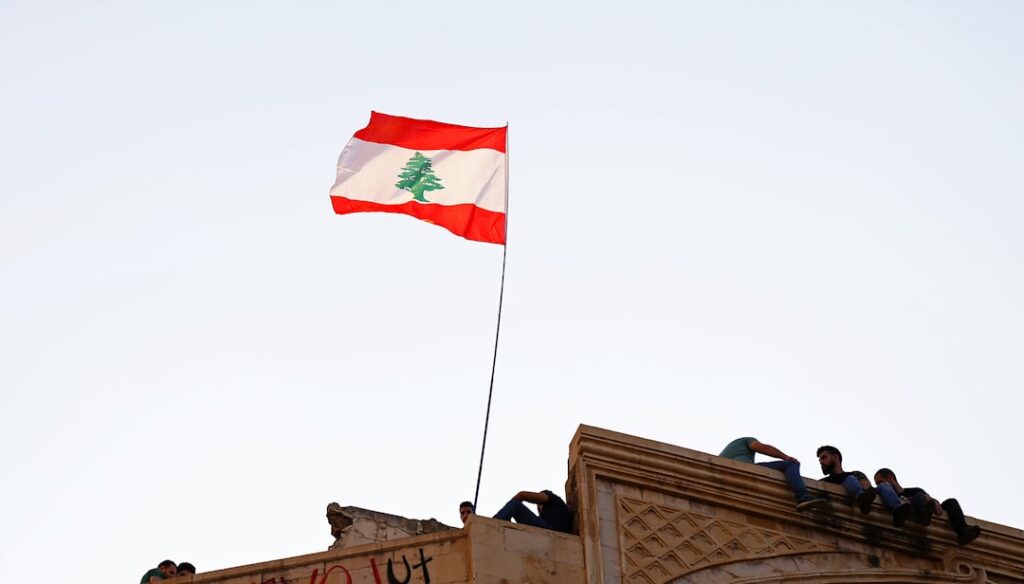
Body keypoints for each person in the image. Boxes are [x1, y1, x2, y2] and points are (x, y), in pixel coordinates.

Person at [874, 468, 982, 546]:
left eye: (880, 482)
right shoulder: (890, 497)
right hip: (916, 511)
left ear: (890, 478)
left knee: (951, 502)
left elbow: (931, 501)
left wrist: (934, 501)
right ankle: (922, 515)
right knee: (918, 497)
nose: (879, 486)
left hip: (927, 510)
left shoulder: (915, 490)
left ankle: (963, 531)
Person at [719, 437, 826, 511]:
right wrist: (785, 457)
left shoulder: (727, 452)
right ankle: (803, 496)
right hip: (745, 468)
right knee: (791, 464)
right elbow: (762, 448)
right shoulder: (746, 440)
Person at [817, 445, 911, 526]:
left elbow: (867, 487)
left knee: (884, 485)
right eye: (820, 460)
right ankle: (860, 498)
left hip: (865, 496)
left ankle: (897, 510)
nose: (821, 462)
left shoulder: (855, 474)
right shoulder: (824, 482)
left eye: (824, 457)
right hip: (855, 501)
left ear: (835, 457)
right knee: (850, 479)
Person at [493, 489, 573, 533]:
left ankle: (495, 523)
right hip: (552, 530)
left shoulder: (552, 498)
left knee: (515, 505)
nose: (538, 507)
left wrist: (517, 498)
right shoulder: (553, 513)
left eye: (539, 505)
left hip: (551, 529)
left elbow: (522, 495)